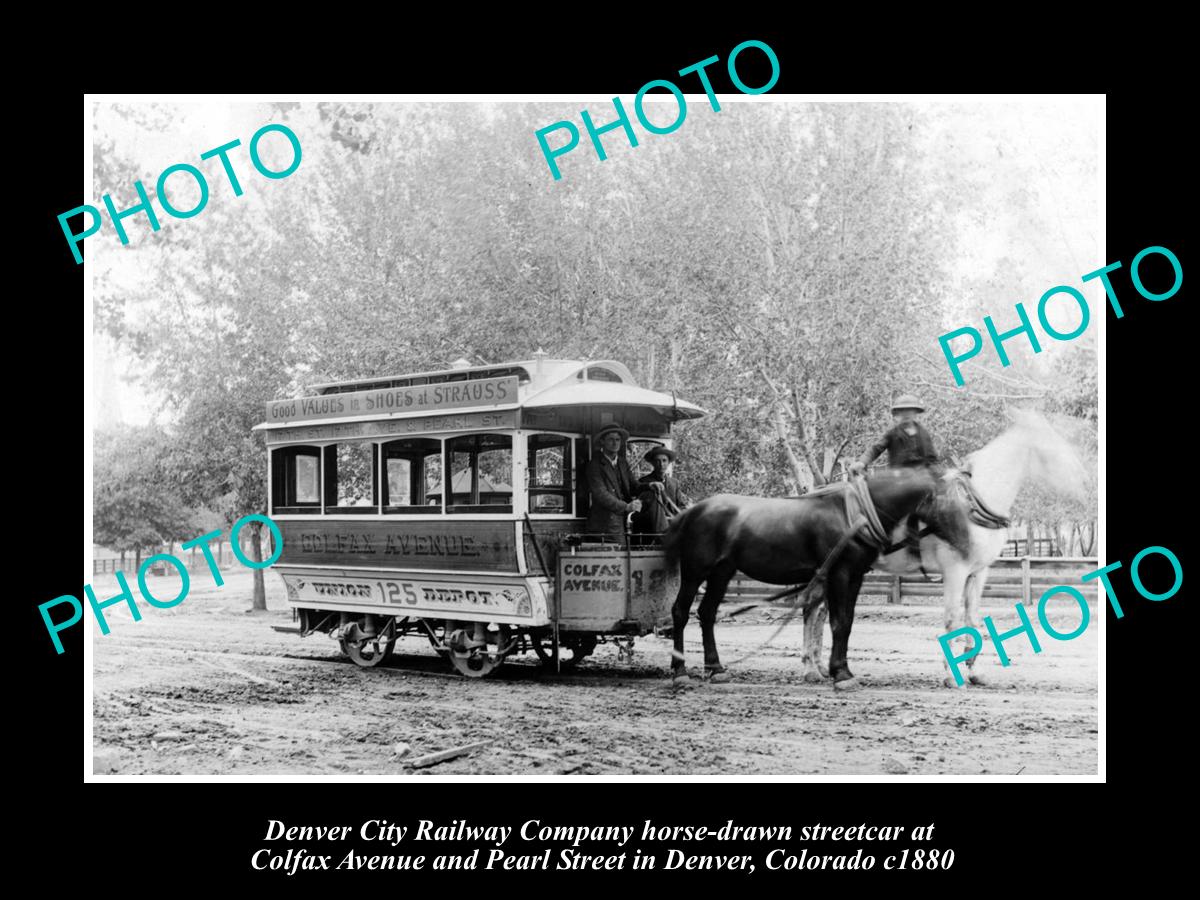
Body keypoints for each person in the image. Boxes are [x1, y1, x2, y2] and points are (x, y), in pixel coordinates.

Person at [850, 394, 942, 563]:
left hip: (921, 479)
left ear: (915, 413)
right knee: (889, 510)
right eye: (903, 411)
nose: (907, 415)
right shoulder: (893, 433)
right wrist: (862, 462)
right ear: (898, 414)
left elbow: (932, 459)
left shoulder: (923, 434)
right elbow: (876, 448)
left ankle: (938, 549)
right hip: (898, 481)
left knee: (940, 506)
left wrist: (939, 474)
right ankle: (880, 547)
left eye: (910, 411)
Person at [584, 424, 642, 541]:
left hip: (622, 521)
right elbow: (601, 494)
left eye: (617, 439)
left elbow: (633, 485)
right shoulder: (594, 465)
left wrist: (650, 485)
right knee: (617, 550)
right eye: (611, 439)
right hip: (604, 524)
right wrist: (626, 507)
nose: (615, 443)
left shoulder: (622, 463)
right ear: (602, 441)